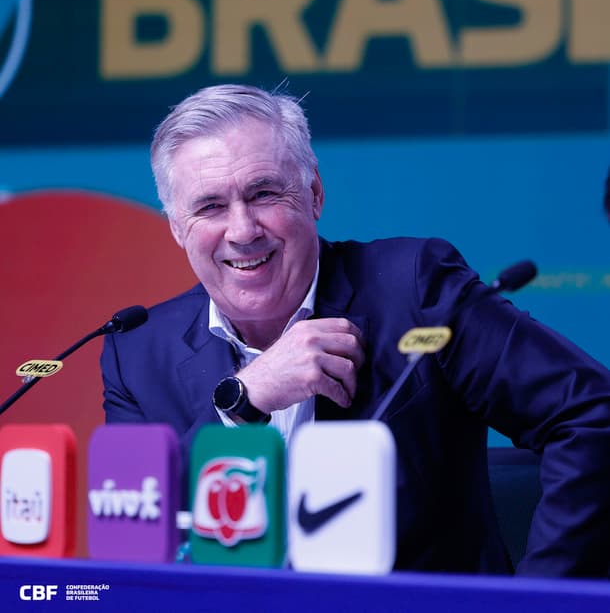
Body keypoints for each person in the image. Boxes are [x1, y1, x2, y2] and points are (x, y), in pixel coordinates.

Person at [101, 84, 610, 577]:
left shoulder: (414, 290)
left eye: (263, 194)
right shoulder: (138, 352)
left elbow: (591, 414)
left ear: (315, 194)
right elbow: (128, 525)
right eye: (210, 206)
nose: (242, 230)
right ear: (175, 227)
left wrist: (535, 603)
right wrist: (243, 401)